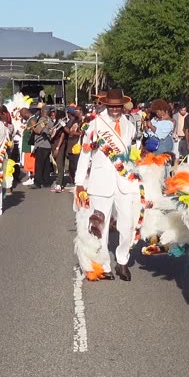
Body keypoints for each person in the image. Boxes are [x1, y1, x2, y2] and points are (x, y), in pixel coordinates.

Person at [75, 89, 140, 281]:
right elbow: (85, 154)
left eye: (118, 106)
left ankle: (122, 261)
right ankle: (102, 265)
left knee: (128, 224)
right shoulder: (94, 124)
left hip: (125, 182)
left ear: (123, 105)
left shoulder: (129, 125)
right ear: (105, 105)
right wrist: (79, 183)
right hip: (100, 182)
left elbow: (131, 153)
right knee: (99, 226)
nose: (115, 109)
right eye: (111, 106)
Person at [30, 106, 55, 189]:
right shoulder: (49, 120)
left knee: (39, 164)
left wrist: (33, 126)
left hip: (42, 145)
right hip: (47, 145)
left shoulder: (42, 120)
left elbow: (38, 131)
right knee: (46, 164)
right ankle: (46, 181)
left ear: (42, 111)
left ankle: (37, 182)